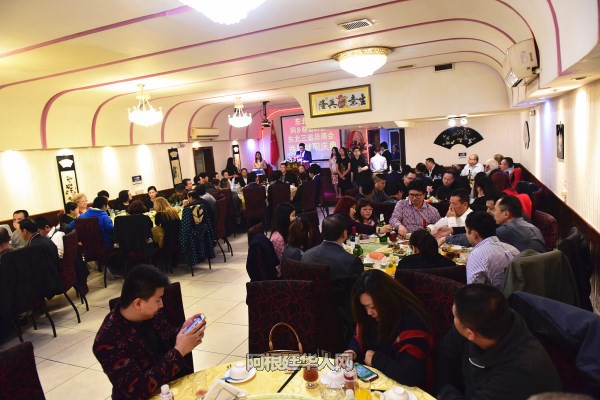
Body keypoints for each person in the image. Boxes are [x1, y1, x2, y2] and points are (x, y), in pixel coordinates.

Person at [93, 264, 206, 399]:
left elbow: (167, 336)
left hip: (173, 386)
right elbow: (138, 390)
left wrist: (184, 331)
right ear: (138, 304)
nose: (161, 304)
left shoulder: (150, 313)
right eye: (158, 300)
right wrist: (179, 352)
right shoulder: (107, 342)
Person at [436, 284, 561, 399]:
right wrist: (443, 388)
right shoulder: (482, 321)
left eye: (455, 316)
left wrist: (444, 392)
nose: (454, 320)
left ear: (470, 333)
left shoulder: (519, 371)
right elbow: (446, 356)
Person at [345, 269, 432, 387]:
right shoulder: (370, 316)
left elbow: (410, 375)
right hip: (376, 380)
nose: (369, 312)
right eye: (365, 307)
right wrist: (352, 351)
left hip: (404, 388)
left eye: (372, 307)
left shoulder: (412, 323)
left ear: (387, 301)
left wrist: (376, 360)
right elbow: (359, 337)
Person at [302, 214, 364, 342]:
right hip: (342, 319)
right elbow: (360, 292)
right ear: (344, 234)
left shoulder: (307, 255)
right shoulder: (351, 261)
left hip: (310, 314)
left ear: (322, 232)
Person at [464, 211, 519, 288]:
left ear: (474, 234)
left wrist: (471, 263)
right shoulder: (513, 249)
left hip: (495, 295)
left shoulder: (476, 255)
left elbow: (473, 290)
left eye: (466, 231)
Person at [154, 197, 181, 271]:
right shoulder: (173, 211)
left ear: (159, 205)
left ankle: (161, 263)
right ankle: (174, 261)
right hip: (179, 237)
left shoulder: (159, 214)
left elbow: (157, 224)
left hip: (168, 240)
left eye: (154, 205)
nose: (154, 207)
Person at [270, 203, 296, 275]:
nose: (295, 218)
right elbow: (282, 263)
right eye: (293, 215)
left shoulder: (286, 231)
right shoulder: (277, 239)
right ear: (284, 218)